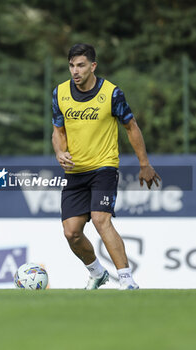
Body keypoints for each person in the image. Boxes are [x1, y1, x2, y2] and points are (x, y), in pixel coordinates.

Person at [52, 43, 161, 290]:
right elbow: (58, 131)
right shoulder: (59, 93)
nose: (75, 71)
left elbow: (131, 127)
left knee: (101, 220)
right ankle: (97, 273)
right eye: (71, 65)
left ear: (93, 66)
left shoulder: (111, 93)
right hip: (74, 172)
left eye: (80, 65)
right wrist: (59, 151)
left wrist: (144, 164)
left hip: (104, 167)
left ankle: (126, 280)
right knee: (72, 233)